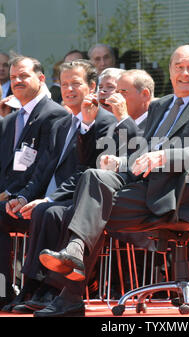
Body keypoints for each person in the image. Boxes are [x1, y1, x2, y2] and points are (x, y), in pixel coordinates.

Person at [36, 44, 189, 317]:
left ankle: (69, 291)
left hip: (180, 192)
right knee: (95, 177)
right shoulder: (161, 105)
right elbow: (143, 152)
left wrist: (164, 157)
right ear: (170, 70)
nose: (185, 73)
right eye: (179, 67)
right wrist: (121, 163)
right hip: (143, 186)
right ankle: (74, 255)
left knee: (92, 208)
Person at [0, 59, 118, 313]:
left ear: (92, 86)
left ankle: (45, 288)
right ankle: (20, 289)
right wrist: (23, 197)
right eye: (64, 84)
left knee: (49, 212)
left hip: (82, 202)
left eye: (76, 83)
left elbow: (89, 171)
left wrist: (49, 199)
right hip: (53, 198)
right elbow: (42, 170)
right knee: (15, 212)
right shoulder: (63, 123)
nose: (69, 89)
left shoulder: (104, 121)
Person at [0, 55, 68, 307]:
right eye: (13, 77)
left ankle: (8, 291)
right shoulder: (9, 120)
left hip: (36, 199)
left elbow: (46, 169)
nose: (17, 81)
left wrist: (22, 197)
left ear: (41, 79)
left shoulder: (55, 114)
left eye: (23, 76)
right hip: (10, 198)